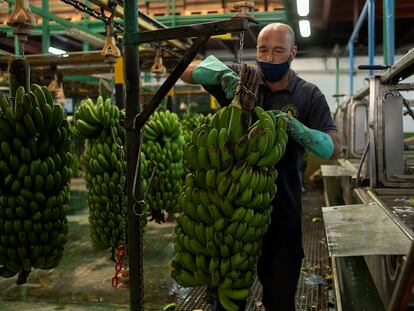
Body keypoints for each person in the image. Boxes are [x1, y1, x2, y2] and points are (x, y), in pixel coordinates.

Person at [181, 23, 340, 310]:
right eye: (263, 50)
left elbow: (331, 147)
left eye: (278, 51)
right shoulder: (243, 78)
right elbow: (187, 70)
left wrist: (297, 129)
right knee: (227, 300)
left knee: (279, 300)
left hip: (283, 215)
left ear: (293, 52)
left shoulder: (308, 94)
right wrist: (218, 74)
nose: (268, 58)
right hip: (228, 212)